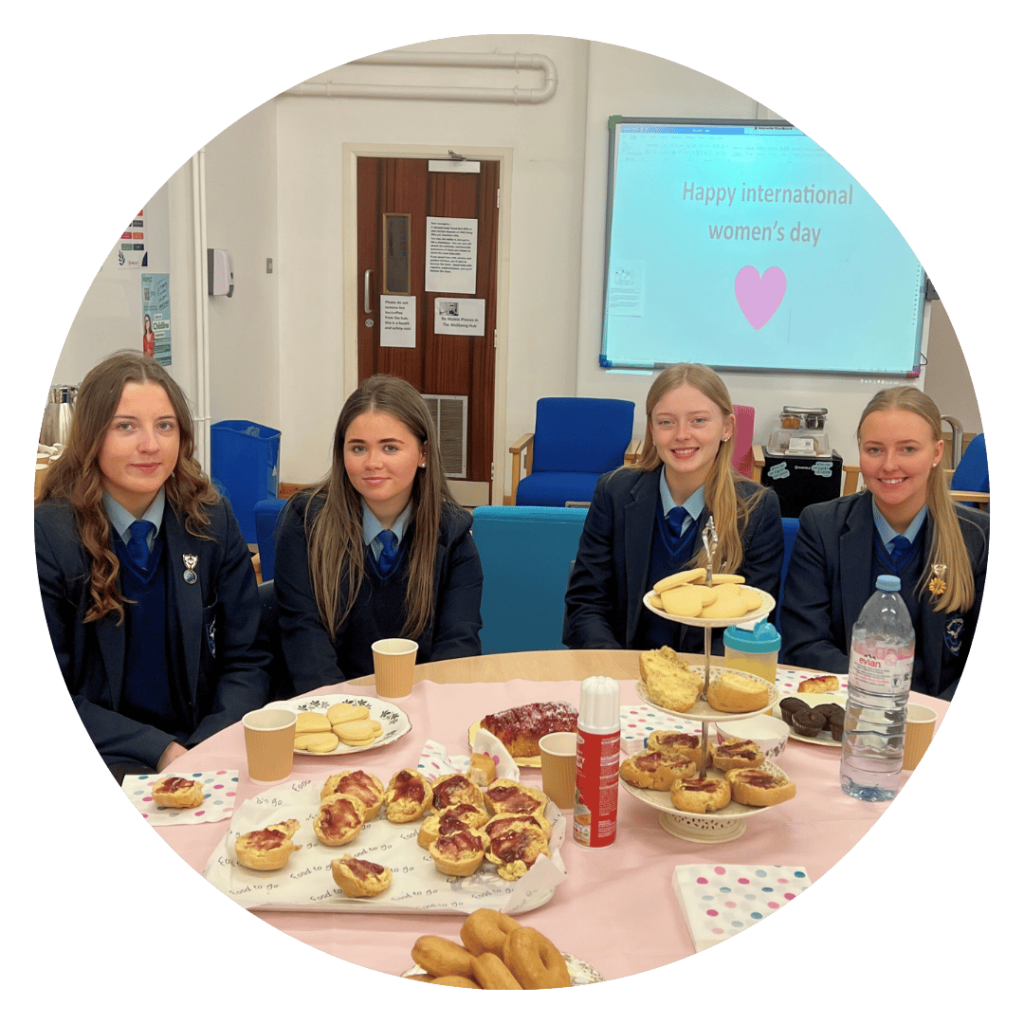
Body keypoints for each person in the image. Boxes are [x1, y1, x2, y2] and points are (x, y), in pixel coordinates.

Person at [35, 351, 271, 780]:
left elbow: (248, 658)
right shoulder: (50, 537)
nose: (150, 445)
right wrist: (159, 750)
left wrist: (206, 745)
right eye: (126, 426)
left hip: (205, 745)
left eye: (164, 426)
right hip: (110, 752)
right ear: (90, 437)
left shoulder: (211, 519)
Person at [274, 374, 482, 693]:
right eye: (358, 448)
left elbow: (456, 650)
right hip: (329, 714)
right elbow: (305, 641)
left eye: (390, 447)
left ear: (423, 453)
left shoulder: (452, 534)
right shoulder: (304, 522)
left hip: (417, 711)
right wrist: (345, 722)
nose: (373, 463)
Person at [779, 387, 989, 700]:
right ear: (860, 451)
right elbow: (804, 644)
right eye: (875, 450)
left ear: (936, 453)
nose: (889, 465)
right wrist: (875, 699)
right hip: (845, 710)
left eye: (908, 449)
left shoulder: (977, 537)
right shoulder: (822, 527)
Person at [563, 363, 783, 654]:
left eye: (698, 421)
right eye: (666, 422)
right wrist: (615, 669)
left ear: (727, 427)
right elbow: (586, 604)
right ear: (652, 429)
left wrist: (691, 682)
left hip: (706, 681)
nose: (682, 435)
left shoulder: (757, 509)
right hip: (620, 672)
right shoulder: (614, 493)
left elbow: (751, 624)